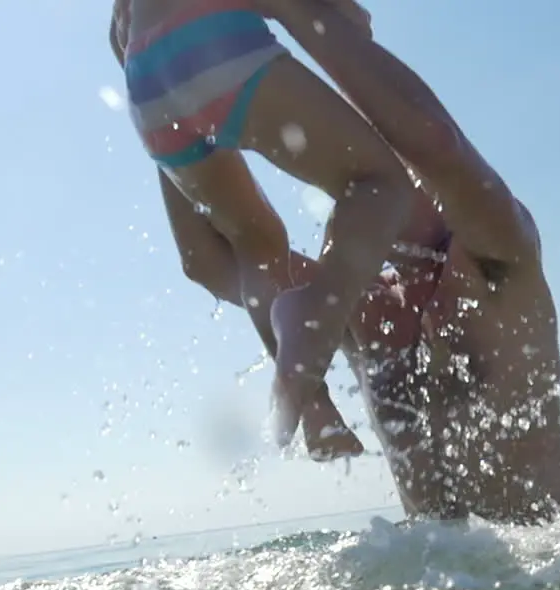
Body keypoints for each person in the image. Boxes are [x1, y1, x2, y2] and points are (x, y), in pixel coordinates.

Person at [158, 0, 560, 522]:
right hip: (436, 580)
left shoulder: (503, 258)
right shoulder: (358, 310)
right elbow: (208, 260)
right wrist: (162, 85)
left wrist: (307, 17)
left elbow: (435, 142)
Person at [110, 0, 415, 456]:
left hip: (144, 83)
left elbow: (117, 32)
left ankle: (316, 413)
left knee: (257, 242)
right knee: (380, 183)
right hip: (211, 40)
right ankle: (319, 319)